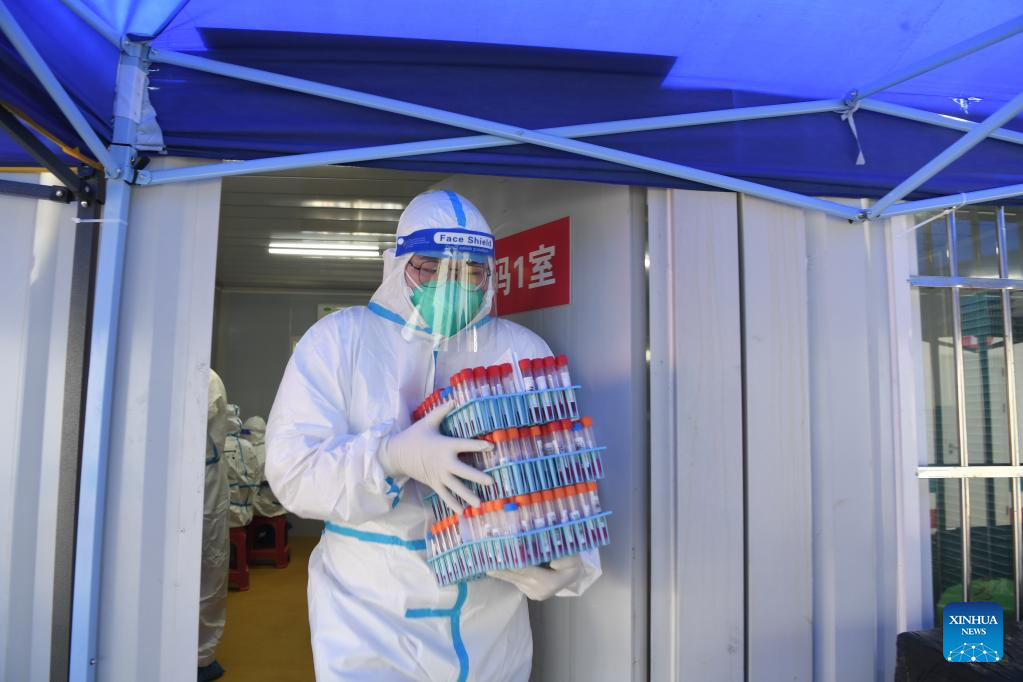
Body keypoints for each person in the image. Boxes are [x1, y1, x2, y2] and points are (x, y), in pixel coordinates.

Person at [266, 189, 600, 681]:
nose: (452, 283)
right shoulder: (340, 340)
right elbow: (292, 474)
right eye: (431, 267)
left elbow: (558, 475)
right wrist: (389, 457)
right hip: (370, 611)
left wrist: (570, 559)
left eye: (471, 271)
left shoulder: (521, 352)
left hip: (489, 614)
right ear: (397, 264)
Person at [199, 370, 232, 682]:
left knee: (207, 568)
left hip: (205, 487)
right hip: (201, 485)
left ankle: (201, 656)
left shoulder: (207, 380)